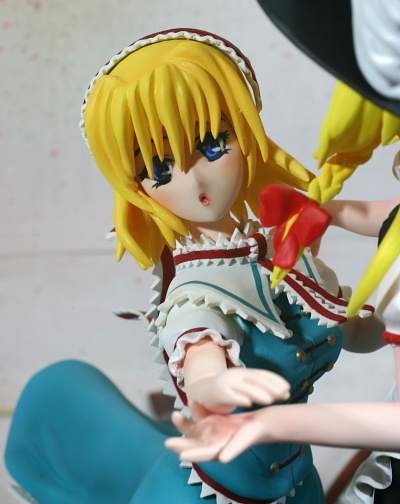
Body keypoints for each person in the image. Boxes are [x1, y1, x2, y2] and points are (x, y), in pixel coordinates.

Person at [5, 29, 383, 504]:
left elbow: (352, 330)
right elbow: (200, 352)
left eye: (212, 144)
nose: (196, 182)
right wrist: (213, 384)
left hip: (298, 486)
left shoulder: (281, 249)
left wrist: (385, 324)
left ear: (245, 133)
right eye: (159, 171)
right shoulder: (194, 294)